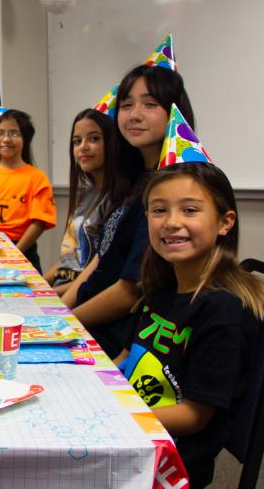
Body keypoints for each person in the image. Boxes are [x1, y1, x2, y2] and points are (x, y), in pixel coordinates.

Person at [115, 162, 264, 488]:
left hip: (166, 463)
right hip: (130, 431)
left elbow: (194, 417)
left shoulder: (223, 310)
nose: (172, 222)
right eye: (159, 210)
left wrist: (111, 416)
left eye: (190, 210)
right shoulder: (160, 291)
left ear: (225, 223)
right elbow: (125, 358)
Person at [64, 63, 195, 357]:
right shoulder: (133, 180)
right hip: (91, 321)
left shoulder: (170, 190)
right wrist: (61, 311)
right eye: (126, 105)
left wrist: (64, 324)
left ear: (175, 111)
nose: (134, 115)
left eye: (150, 104)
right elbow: (101, 260)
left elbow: (130, 292)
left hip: (116, 336)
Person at [46, 109, 138, 292]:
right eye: (77, 141)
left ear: (112, 144)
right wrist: (36, 285)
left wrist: (49, 294)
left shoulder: (120, 200)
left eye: (94, 139)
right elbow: (68, 259)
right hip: (60, 289)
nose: (83, 147)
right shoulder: (86, 194)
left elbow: (99, 274)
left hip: (81, 296)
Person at [0, 109, 56, 271]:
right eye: (0, 133)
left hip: (24, 250)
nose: (6, 139)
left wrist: (15, 252)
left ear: (25, 138)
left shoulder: (37, 178)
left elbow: (39, 221)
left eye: (14, 133)